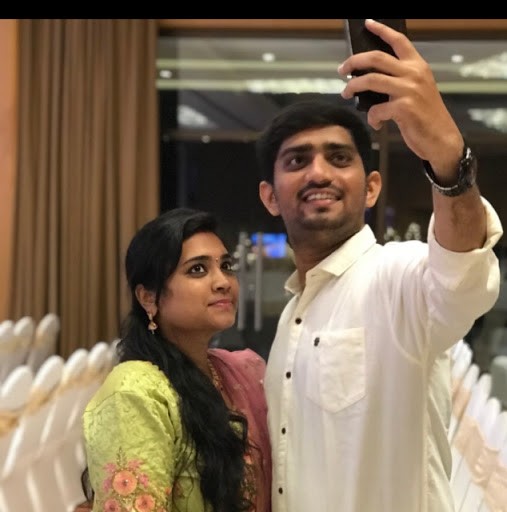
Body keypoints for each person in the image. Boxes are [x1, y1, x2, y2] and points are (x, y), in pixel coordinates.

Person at [255, 19, 503, 512]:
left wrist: (448, 157)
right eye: (297, 161)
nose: (318, 173)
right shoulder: (290, 319)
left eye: (338, 158)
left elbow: (461, 273)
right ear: (270, 197)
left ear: (371, 188)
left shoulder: (398, 279)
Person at [81, 208, 271, 512]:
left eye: (226, 266)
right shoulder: (135, 395)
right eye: (197, 270)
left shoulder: (236, 371)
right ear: (149, 298)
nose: (223, 281)